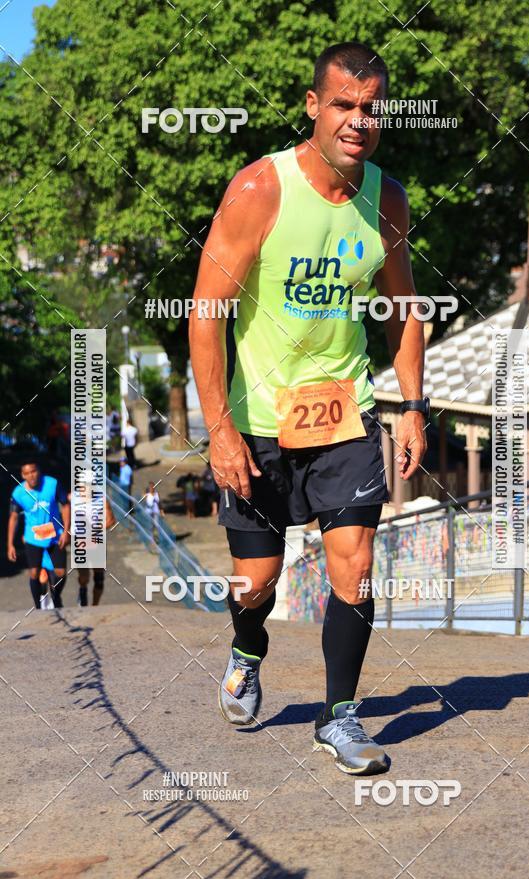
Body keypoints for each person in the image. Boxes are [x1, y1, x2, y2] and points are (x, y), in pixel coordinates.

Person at [189, 42, 428, 776]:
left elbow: (404, 309)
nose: (358, 122)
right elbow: (206, 313)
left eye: (371, 108)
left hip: (344, 411)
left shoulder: (386, 199)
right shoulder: (261, 189)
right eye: (344, 106)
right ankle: (246, 649)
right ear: (314, 107)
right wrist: (219, 431)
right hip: (258, 419)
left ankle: (340, 717)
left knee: (353, 566)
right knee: (255, 581)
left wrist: (412, 405)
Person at [7, 461, 71, 609]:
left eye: (34, 471)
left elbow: (66, 505)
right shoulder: (18, 493)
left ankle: (56, 596)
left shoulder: (52, 484)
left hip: (55, 535)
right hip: (33, 537)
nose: (32, 475)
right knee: (35, 573)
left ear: (39, 471)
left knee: (60, 573)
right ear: (23, 475)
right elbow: (14, 517)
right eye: (27, 473)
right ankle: (38, 606)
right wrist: (10, 544)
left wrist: (66, 531)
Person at [76, 498, 116, 607]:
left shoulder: (102, 501)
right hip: (81, 543)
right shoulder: (73, 499)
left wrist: (97, 528)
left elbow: (111, 520)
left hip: (97, 542)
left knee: (99, 579)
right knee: (84, 578)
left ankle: (95, 606)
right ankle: (82, 594)